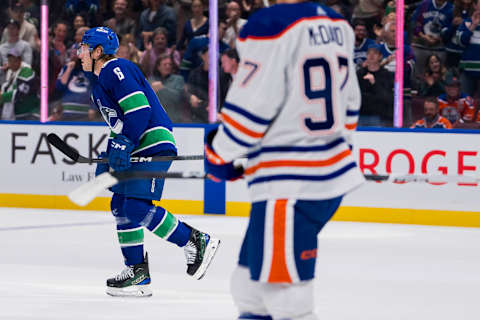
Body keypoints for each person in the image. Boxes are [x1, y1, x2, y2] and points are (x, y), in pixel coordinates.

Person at [204, 2, 365, 319]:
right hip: (326, 176)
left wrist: (220, 152)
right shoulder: (338, 25)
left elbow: (252, 108)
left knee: (287, 298)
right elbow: (350, 109)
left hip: (290, 188)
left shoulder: (270, 24)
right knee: (250, 289)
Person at [77, 26, 220, 297]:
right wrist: (110, 153)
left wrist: (125, 142)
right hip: (137, 144)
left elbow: (140, 111)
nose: (80, 52)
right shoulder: (99, 86)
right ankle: (137, 272)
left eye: (84, 47)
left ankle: (195, 240)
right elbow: (120, 125)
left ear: (98, 51)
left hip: (151, 142)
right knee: (120, 204)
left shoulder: (114, 69)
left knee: (135, 206)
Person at [357, 43, 394, 127]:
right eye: (369, 53)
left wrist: (374, 83)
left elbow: (386, 97)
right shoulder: (360, 73)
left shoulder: (386, 74)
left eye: (375, 53)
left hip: (378, 116)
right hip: (361, 114)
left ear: (380, 56)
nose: (371, 55)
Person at [0, 47, 39, 120]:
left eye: (14, 61)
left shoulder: (27, 72)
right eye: (10, 61)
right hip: (16, 115)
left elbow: (19, 93)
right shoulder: (11, 72)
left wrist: (2, 97)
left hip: (29, 114)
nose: (12, 63)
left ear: (20, 60)